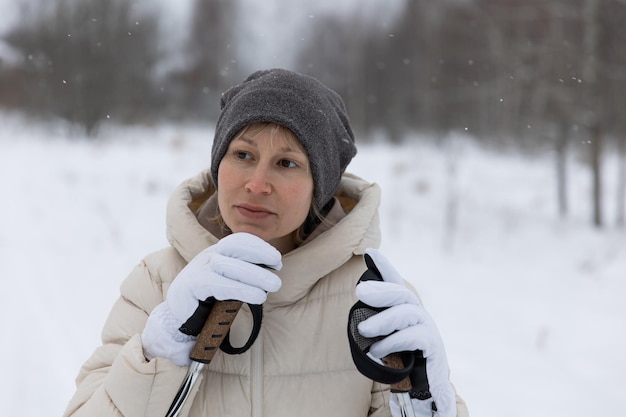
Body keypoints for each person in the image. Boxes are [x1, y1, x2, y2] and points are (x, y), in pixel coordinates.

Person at [63, 68, 469, 417]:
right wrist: (165, 342)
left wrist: (424, 404)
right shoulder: (159, 282)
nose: (256, 184)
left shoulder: (372, 299)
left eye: (287, 163)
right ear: (218, 164)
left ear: (320, 186)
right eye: (242, 155)